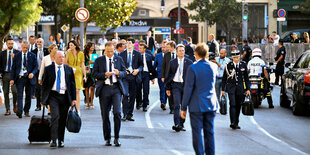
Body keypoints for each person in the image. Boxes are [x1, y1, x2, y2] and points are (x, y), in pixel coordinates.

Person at [181, 43, 218, 155]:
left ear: (195, 54)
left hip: (197, 105)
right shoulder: (213, 66)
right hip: (211, 103)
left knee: (197, 133)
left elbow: (188, 88)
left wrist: (183, 107)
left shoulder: (193, 67)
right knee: (209, 133)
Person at [93, 42, 126, 147]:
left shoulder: (119, 59)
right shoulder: (99, 60)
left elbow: (124, 72)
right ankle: (107, 138)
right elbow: (94, 74)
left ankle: (116, 138)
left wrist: (119, 73)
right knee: (105, 115)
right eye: (108, 51)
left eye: (112, 51)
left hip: (116, 89)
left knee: (117, 113)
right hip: (104, 89)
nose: (110, 53)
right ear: (104, 51)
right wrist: (104, 75)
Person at [41, 51, 76, 148]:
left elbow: (72, 84)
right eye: (60, 57)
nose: (62, 59)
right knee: (55, 117)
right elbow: (44, 85)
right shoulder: (49, 69)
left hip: (65, 96)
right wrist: (43, 100)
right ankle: (53, 139)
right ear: (55, 58)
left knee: (62, 119)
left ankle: (61, 140)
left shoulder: (68, 69)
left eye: (63, 57)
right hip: (53, 96)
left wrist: (74, 99)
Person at [165, 44, 193, 132]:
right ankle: (176, 124)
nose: (182, 52)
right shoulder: (172, 62)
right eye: (180, 51)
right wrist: (168, 88)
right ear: (176, 52)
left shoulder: (189, 62)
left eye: (183, 50)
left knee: (184, 106)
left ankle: (181, 124)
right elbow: (168, 75)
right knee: (177, 105)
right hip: (176, 85)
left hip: (185, 86)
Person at [221, 50, 250, 129]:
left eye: (237, 57)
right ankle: (232, 122)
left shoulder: (243, 65)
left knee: (238, 105)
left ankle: (236, 122)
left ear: (239, 57)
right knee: (232, 104)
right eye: (234, 58)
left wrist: (248, 89)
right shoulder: (228, 65)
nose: (236, 59)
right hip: (231, 87)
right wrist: (222, 89)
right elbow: (224, 78)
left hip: (240, 88)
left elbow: (246, 78)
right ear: (232, 58)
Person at [10, 41, 38, 118]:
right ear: (21, 47)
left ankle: (26, 111)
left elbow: (36, 67)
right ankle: (19, 111)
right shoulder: (17, 56)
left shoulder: (32, 55)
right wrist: (12, 79)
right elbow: (13, 68)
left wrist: (32, 73)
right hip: (20, 78)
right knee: (20, 95)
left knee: (28, 95)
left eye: (27, 48)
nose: (25, 49)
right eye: (24, 47)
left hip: (29, 78)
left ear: (28, 47)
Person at [120, 38, 143, 121]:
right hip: (125, 77)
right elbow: (119, 65)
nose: (128, 44)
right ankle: (124, 114)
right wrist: (124, 70)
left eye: (130, 43)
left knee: (133, 96)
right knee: (125, 95)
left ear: (133, 44)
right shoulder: (122, 54)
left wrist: (137, 70)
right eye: (127, 43)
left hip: (134, 77)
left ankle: (130, 114)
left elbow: (141, 65)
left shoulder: (138, 54)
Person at [65, 40, 87, 114]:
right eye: (69, 45)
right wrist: (67, 54)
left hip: (78, 72)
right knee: (71, 90)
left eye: (71, 45)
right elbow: (65, 63)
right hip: (70, 71)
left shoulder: (81, 54)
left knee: (77, 91)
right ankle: (72, 107)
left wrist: (85, 75)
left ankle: (78, 109)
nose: (70, 47)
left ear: (75, 46)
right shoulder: (68, 53)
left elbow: (82, 65)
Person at [0, 37, 19, 115]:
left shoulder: (17, 53)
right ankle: (8, 109)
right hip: (5, 74)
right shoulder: (2, 53)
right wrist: (1, 72)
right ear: (6, 44)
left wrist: (15, 58)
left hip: (14, 75)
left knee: (15, 91)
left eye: (12, 43)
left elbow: (20, 64)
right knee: (6, 92)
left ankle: (15, 104)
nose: (10, 45)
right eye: (9, 43)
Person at [136, 43, 156, 112]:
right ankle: (139, 102)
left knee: (146, 90)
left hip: (146, 74)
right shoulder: (136, 56)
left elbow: (151, 67)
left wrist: (152, 77)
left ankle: (145, 105)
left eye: (141, 48)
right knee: (138, 89)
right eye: (139, 48)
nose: (139, 49)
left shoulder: (149, 56)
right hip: (139, 74)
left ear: (144, 49)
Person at [38, 44, 58, 115]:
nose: (56, 50)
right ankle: (49, 109)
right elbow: (42, 69)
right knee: (48, 93)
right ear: (51, 50)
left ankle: (51, 108)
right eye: (55, 48)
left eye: (57, 48)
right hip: (47, 79)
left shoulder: (58, 57)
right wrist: (39, 78)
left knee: (53, 94)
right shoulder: (45, 58)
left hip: (56, 79)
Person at [32, 38, 49, 111]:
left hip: (46, 72)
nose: (39, 43)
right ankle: (38, 105)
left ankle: (45, 103)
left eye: (41, 42)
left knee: (45, 88)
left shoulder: (47, 51)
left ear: (43, 43)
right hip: (37, 72)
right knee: (38, 89)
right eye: (38, 42)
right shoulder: (33, 52)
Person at [161, 41, 177, 114]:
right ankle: (171, 108)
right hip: (168, 76)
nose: (167, 48)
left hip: (177, 76)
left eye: (168, 47)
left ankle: (176, 106)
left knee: (176, 92)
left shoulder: (178, 53)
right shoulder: (166, 55)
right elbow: (163, 66)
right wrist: (163, 76)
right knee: (169, 92)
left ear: (172, 47)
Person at [154, 40, 168, 110]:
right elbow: (154, 66)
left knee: (166, 89)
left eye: (164, 47)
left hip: (168, 76)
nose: (163, 49)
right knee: (162, 89)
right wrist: (153, 76)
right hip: (160, 75)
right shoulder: (158, 55)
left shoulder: (170, 55)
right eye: (162, 47)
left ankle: (164, 102)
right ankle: (162, 102)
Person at [84, 42, 96, 109]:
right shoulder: (85, 54)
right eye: (92, 46)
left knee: (92, 87)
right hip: (87, 71)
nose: (93, 48)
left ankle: (92, 102)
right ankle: (87, 103)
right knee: (86, 87)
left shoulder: (94, 54)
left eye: (93, 46)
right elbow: (83, 62)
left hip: (93, 71)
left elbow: (97, 61)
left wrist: (93, 62)